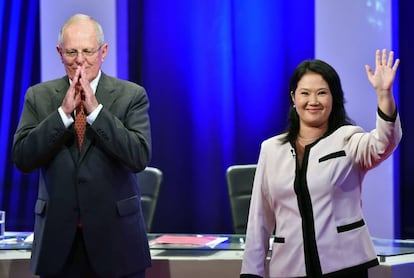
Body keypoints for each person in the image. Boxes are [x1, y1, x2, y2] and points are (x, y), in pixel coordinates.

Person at [240, 49, 402, 278]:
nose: (313, 101)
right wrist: (251, 273)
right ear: (293, 98)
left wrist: (384, 94)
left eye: (322, 93)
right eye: (305, 93)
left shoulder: (348, 139)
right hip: (288, 268)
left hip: (344, 268)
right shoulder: (271, 149)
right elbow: (259, 219)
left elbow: (385, 142)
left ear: (333, 98)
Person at [12, 14, 152, 278]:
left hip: (117, 244)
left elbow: (139, 156)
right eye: (71, 52)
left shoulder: (131, 96)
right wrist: (63, 114)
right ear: (59, 53)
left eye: (88, 51)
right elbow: (22, 157)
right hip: (58, 245)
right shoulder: (38, 96)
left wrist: (96, 112)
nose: (79, 60)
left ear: (103, 52)